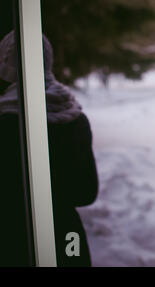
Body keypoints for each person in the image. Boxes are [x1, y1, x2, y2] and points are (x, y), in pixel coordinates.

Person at [0, 30, 98, 267]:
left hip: (14, 241)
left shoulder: (6, 122)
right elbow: (86, 193)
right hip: (67, 238)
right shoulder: (74, 118)